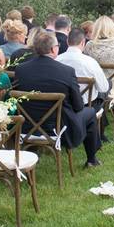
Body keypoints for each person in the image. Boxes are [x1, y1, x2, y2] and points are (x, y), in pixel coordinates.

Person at [13, 32, 102, 167]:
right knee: (89, 112)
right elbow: (78, 106)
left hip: (27, 127)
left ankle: (33, 152)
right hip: (59, 129)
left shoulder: (21, 70)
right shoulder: (66, 71)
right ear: (54, 49)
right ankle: (91, 160)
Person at [57, 28, 110, 106]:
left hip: (63, 103)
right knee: (107, 85)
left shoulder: (57, 60)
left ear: (67, 41)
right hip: (87, 104)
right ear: (83, 43)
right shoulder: (91, 62)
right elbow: (103, 88)